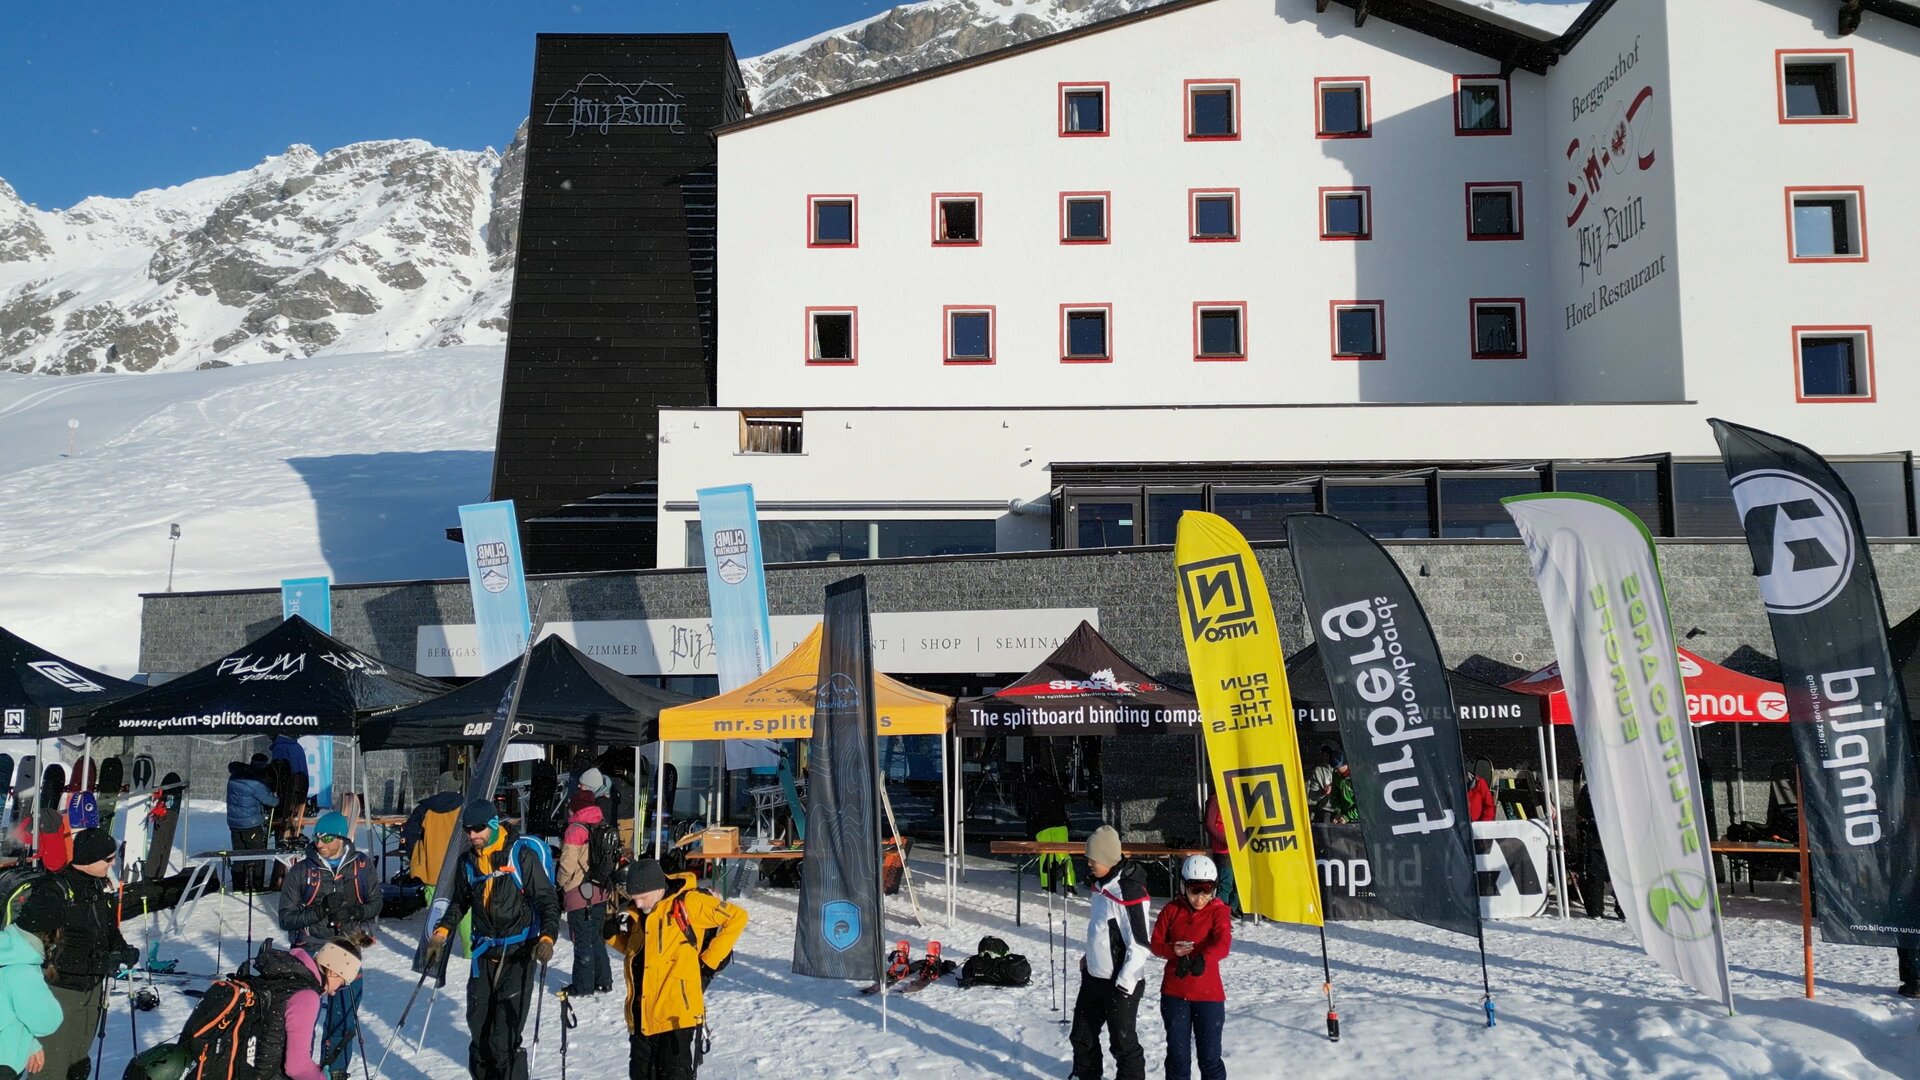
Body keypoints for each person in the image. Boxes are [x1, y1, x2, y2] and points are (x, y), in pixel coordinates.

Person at [423, 798, 560, 1080]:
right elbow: (460, 902)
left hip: (518, 952)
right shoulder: (469, 861)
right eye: (468, 830)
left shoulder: (520, 856)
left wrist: (547, 938)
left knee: (504, 1038)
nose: (473, 835)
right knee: (479, 1032)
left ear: (494, 824)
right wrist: (441, 933)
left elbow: (547, 901)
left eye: (479, 829)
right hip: (484, 952)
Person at [606, 858, 749, 1079]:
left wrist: (708, 962)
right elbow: (640, 955)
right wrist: (612, 937)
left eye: (642, 897)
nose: (638, 903)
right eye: (634, 898)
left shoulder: (688, 903)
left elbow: (738, 917)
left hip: (675, 1018)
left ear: (658, 888)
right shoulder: (639, 914)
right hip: (643, 1016)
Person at [24, 828, 138, 1080]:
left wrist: (122, 949)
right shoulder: (54, 892)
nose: (113, 863)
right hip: (58, 993)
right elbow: (37, 952)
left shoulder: (97, 886)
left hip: (91, 990)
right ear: (89, 858)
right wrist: (97, 964)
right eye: (108, 859)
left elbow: (108, 929)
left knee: (78, 1063)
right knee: (52, 1067)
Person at [278, 811, 381, 1080]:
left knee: (344, 1016)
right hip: (311, 949)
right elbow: (285, 919)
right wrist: (319, 911)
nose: (319, 843)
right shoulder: (302, 870)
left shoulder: (361, 866)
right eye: (316, 837)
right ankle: (300, 1071)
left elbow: (376, 903)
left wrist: (353, 912)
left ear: (341, 838)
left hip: (346, 948)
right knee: (303, 1019)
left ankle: (336, 1071)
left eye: (326, 838)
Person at [1070, 825, 1150, 1080]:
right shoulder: (1100, 885)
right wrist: (1090, 957)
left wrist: (1124, 982)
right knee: (1082, 1036)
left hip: (1120, 983)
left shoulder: (1128, 891)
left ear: (1107, 859)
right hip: (1095, 976)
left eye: (1093, 859)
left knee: (1123, 1044)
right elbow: (1102, 929)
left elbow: (1140, 944)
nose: (1089, 863)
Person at [1149, 855, 1232, 1080]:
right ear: (1183, 886)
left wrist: (1203, 959)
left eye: (1206, 890)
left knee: (1210, 1059)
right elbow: (1156, 943)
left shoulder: (1219, 911)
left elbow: (1223, 943)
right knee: (1178, 1058)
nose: (1200, 898)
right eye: (1194, 890)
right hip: (1175, 994)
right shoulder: (1171, 910)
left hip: (1208, 996)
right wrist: (1172, 950)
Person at [276, 938, 365, 1080]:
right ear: (333, 972)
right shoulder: (307, 997)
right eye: (341, 985)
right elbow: (297, 1067)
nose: (334, 993)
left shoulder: (288, 975)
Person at [557, 785, 613, 997]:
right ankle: (603, 980)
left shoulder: (575, 829)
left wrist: (560, 883)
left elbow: (567, 865)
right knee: (596, 937)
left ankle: (582, 986)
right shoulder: (602, 823)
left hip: (579, 893)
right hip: (600, 890)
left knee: (581, 941)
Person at [0, 899, 64, 1079]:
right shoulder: (22, 970)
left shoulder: (7, 952)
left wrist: (30, 1043)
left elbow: (6, 1011)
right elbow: (47, 1022)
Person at [226, 757, 278, 894]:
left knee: (239, 854)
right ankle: (256, 886)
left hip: (234, 823)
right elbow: (271, 801)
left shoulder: (233, 778)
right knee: (256, 853)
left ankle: (238, 886)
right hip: (251, 824)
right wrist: (277, 796)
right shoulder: (255, 782)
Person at [1200, 790, 1237, 916]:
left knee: (1239, 883)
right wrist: (1224, 840)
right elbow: (1209, 825)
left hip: (1239, 848)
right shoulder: (1215, 800)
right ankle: (1220, 914)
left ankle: (1231, 908)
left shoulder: (1238, 796)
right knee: (1226, 883)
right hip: (1223, 849)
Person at [1307, 746, 1337, 822]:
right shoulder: (1318, 771)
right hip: (1327, 810)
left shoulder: (1346, 767)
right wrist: (1322, 792)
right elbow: (1312, 796)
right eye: (1323, 754)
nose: (1326, 756)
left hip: (1346, 810)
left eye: (1329, 753)